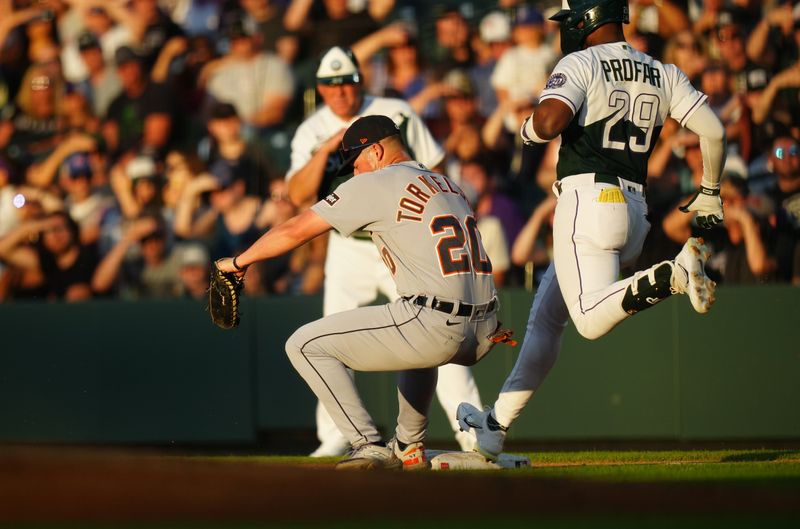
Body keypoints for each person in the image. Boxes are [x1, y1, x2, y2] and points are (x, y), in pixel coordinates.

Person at [457, 0, 727, 461]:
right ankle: (495, 426)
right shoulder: (662, 70)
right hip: (634, 209)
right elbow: (714, 130)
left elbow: (547, 123)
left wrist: (525, 130)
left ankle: (673, 275)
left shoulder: (580, 61)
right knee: (546, 319)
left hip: (589, 199)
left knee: (586, 321)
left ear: (586, 19)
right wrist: (710, 190)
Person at [216, 115, 504, 470]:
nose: (354, 174)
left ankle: (366, 444)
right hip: (487, 327)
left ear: (377, 151)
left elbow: (294, 230)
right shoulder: (447, 182)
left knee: (305, 345)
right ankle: (409, 446)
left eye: (356, 163)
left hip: (437, 323)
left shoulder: (378, 182)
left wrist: (239, 261)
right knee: (414, 328)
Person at [286, 45, 483, 457]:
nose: (340, 91)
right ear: (320, 89)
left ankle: (469, 430)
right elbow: (296, 194)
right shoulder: (311, 130)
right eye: (331, 84)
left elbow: (433, 167)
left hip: (405, 240)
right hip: (350, 247)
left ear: (361, 79)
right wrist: (326, 149)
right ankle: (335, 438)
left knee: (431, 325)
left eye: (347, 81)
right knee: (333, 332)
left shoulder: (394, 111)